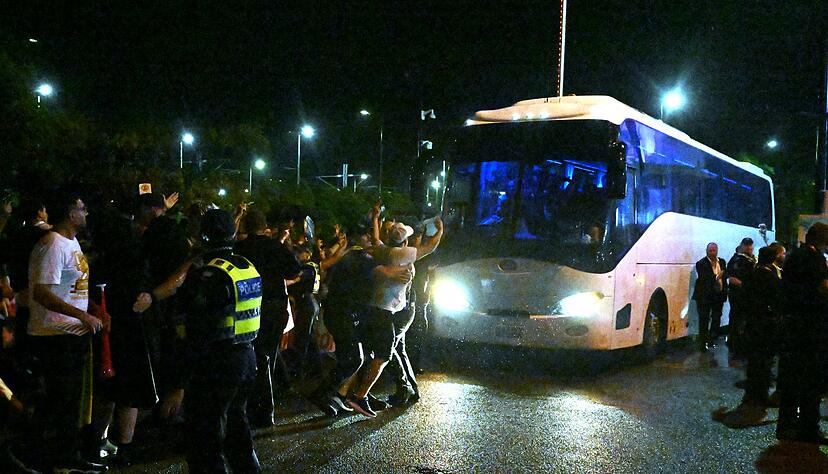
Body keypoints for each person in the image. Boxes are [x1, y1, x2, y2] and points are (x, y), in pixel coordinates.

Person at [171, 209, 262, 473]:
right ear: (234, 233)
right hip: (246, 358)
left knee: (206, 439)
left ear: (203, 236)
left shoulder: (209, 276)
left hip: (216, 363)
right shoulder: (246, 267)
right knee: (238, 431)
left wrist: (180, 382)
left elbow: (199, 332)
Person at [26, 194, 107, 473]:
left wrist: (93, 308)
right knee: (58, 400)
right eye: (82, 209)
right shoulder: (51, 245)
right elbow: (42, 292)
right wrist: (81, 315)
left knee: (70, 401)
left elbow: (73, 288)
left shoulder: (71, 243)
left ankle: (66, 456)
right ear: (70, 213)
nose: (86, 213)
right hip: (53, 334)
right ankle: (34, 454)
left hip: (72, 332)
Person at [234, 209, 303, 425]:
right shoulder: (276, 247)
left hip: (248, 306)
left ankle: (252, 407)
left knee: (251, 355)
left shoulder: (240, 248)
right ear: (264, 227)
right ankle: (265, 409)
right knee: (267, 357)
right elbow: (294, 271)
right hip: (274, 307)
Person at [719, 244, 785, 427]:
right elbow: (778, 301)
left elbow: (744, 297)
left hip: (753, 325)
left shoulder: (752, 275)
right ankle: (759, 397)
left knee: (755, 362)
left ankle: (752, 395)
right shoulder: (771, 278)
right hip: (766, 326)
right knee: (764, 362)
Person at [775, 223, 828, 443]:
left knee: (791, 379)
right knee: (810, 381)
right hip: (809, 330)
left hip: (793, 328)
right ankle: (808, 427)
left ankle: (787, 425)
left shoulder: (795, 257)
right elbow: (822, 289)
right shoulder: (813, 259)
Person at [692, 242, 728, 352]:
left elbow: (726, 274)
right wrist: (718, 276)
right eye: (710, 250)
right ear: (707, 251)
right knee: (704, 319)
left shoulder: (721, 262)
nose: (712, 253)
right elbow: (705, 278)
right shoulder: (701, 263)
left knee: (716, 318)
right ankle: (703, 342)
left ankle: (712, 339)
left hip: (718, 295)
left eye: (714, 250)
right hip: (705, 296)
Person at [726, 237, 756, 356]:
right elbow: (732, 279)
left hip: (743, 294)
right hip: (739, 295)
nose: (750, 248)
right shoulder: (738, 260)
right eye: (747, 246)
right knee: (738, 319)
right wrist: (745, 286)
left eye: (751, 246)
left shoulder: (747, 259)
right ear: (742, 246)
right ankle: (736, 345)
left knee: (739, 319)